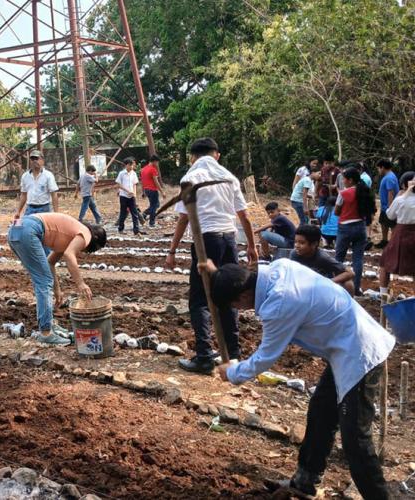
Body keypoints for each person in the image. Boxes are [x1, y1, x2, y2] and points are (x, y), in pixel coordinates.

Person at [208, 259, 394, 500]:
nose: (241, 310)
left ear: (243, 296)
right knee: (321, 414)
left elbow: (265, 358)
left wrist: (232, 372)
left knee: (355, 439)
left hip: (359, 354)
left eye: (236, 306)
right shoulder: (280, 267)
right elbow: (235, 281)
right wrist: (218, 274)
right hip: (346, 344)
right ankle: (305, 481)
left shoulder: (279, 304)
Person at [165, 137, 257, 374]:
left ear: (192, 157)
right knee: (230, 294)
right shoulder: (229, 177)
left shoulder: (191, 178)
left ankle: (205, 356)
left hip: (206, 241)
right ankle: (233, 354)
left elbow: (183, 218)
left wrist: (172, 250)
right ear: (216, 155)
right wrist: (251, 246)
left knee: (199, 299)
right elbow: (244, 216)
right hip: (229, 239)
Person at [8, 212, 106, 345]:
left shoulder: (68, 236)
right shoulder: (86, 234)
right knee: (44, 281)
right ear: (95, 239)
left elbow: (50, 262)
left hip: (16, 227)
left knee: (41, 280)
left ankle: (49, 325)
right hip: (29, 229)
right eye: (95, 249)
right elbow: (69, 255)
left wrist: (57, 290)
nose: (88, 251)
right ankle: (46, 333)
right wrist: (81, 283)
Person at [335, 167, 375, 295]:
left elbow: (336, 211)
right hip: (360, 226)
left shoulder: (344, 193)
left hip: (345, 227)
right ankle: (356, 288)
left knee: (338, 258)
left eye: (344, 179)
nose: (343, 181)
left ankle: (336, 285)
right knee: (358, 259)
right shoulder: (364, 192)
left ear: (350, 180)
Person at [378, 171, 415, 300]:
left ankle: (383, 294)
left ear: (404, 185)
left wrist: (400, 197)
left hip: (402, 233)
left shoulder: (400, 200)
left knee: (385, 263)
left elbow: (390, 215)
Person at [289, 224, 355, 294]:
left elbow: (350, 273)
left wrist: (329, 282)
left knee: (348, 284)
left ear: (314, 244)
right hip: (303, 287)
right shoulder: (294, 254)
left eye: (302, 243)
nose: (297, 246)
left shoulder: (322, 257)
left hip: (321, 289)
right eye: (295, 242)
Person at [15, 150, 59, 218]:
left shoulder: (48, 175)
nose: (34, 161)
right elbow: (24, 195)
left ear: (42, 160)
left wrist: (56, 214)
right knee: (27, 224)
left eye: (36, 158)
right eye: (32, 159)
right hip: (30, 208)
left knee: (44, 225)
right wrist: (18, 211)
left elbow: (54, 195)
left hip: (44, 208)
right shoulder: (25, 176)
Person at [375, 160, 399, 249]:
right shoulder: (388, 176)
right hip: (384, 206)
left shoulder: (389, 177)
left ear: (382, 167)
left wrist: (390, 207)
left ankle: (394, 243)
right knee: (383, 223)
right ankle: (384, 241)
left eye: (378, 168)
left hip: (389, 207)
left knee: (392, 225)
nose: (378, 170)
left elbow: (391, 192)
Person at [115, 157, 142, 235]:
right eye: (130, 165)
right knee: (123, 213)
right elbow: (119, 185)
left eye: (132, 165)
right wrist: (127, 191)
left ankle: (136, 231)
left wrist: (134, 194)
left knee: (134, 213)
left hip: (132, 196)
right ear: (126, 165)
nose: (132, 167)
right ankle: (120, 229)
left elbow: (134, 184)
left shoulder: (133, 173)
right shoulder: (121, 173)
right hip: (123, 196)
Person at [140, 154, 165, 227]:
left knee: (155, 205)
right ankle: (152, 223)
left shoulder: (143, 169)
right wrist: (162, 192)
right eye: (157, 162)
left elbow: (142, 182)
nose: (157, 164)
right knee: (154, 206)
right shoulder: (153, 169)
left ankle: (144, 214)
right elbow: (156, 182)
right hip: (153, 190)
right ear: (154, 161)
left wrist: (143, 192)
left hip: (147, 190)